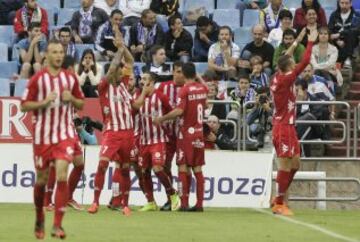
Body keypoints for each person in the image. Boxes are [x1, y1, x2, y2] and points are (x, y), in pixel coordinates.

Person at [20, 39, 85, 239]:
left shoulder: (70, 78)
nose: (58, 55)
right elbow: (23, 105)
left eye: (61, 52)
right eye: (54, 52)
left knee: (62, 174)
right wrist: (44, 102)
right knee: (41, 179)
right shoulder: (37, 79)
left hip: (64, 134)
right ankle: (40, 216)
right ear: (46, 55)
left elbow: (81, 103)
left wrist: (71, 99)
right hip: (43, 136)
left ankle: (57, 225)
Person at [87, 36, 151, 216]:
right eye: (118, 70)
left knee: (124, 169)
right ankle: (95, 202)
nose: (122, 71)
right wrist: (120, 49)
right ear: (111, 73)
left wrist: (123, 47)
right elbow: (115, 65)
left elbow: (130, 60)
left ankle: (125, 204)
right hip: (112, 133)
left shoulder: (124, 85)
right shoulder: (104, 87)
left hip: (128, 133)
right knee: (102, 164)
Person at [270, 27, 318, 216]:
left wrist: (298, 39)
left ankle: (278, 197)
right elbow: (305, 61)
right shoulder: (286, 79)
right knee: (284, 165)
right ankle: (279, 203)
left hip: (287, 126)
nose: (294, 62)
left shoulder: (278, 75)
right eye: (292, 62)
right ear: (288, 67)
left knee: (296, 164)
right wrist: (311, 41)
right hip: (283, 127)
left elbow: (285, 56)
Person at [154, 62, 208, 212]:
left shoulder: (185, 90)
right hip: (199, 132)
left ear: (184, 74)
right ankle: (199, 204)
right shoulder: (202, 88)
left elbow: (179, 111)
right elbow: (207, 104)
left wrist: (162, 119)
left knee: (182, 167)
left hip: (186, 134)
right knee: (198, 169)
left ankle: (184, 203)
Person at [136, 72, 181, 212]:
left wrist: (162, 120)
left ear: (152, 82)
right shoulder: (139, 97)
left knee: (158, 168)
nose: (141, 81)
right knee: (144, 171)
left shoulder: (161, 96)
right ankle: (151, 202)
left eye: (145, 79)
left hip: (158, 139)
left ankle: (173, 195)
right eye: (141, 79)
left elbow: (172, 113)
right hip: (144, 141)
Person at [156, 61, 185, 211]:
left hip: (182, 135)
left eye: (183, 72)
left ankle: (183, 200)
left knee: (183, 168)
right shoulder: (163, 87)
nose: (181, 75)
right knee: (164, 167)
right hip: (166, 135)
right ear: (173, 72)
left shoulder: (188, 88)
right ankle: (171, 198)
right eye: (179, 71)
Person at [329, 0, 360, 67]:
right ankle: (343, 60)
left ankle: (347, 58)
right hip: (336, 41)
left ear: (351, 4)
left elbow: (356, 30)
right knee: (326, 34)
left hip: (351, 41)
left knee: (351, 33)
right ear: (339, 3)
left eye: (346, 3)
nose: (344, 5)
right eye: (342, 3)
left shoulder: (356, 15)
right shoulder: (334, 15)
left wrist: (340, 34)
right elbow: (330, 30)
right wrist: (337, 41)